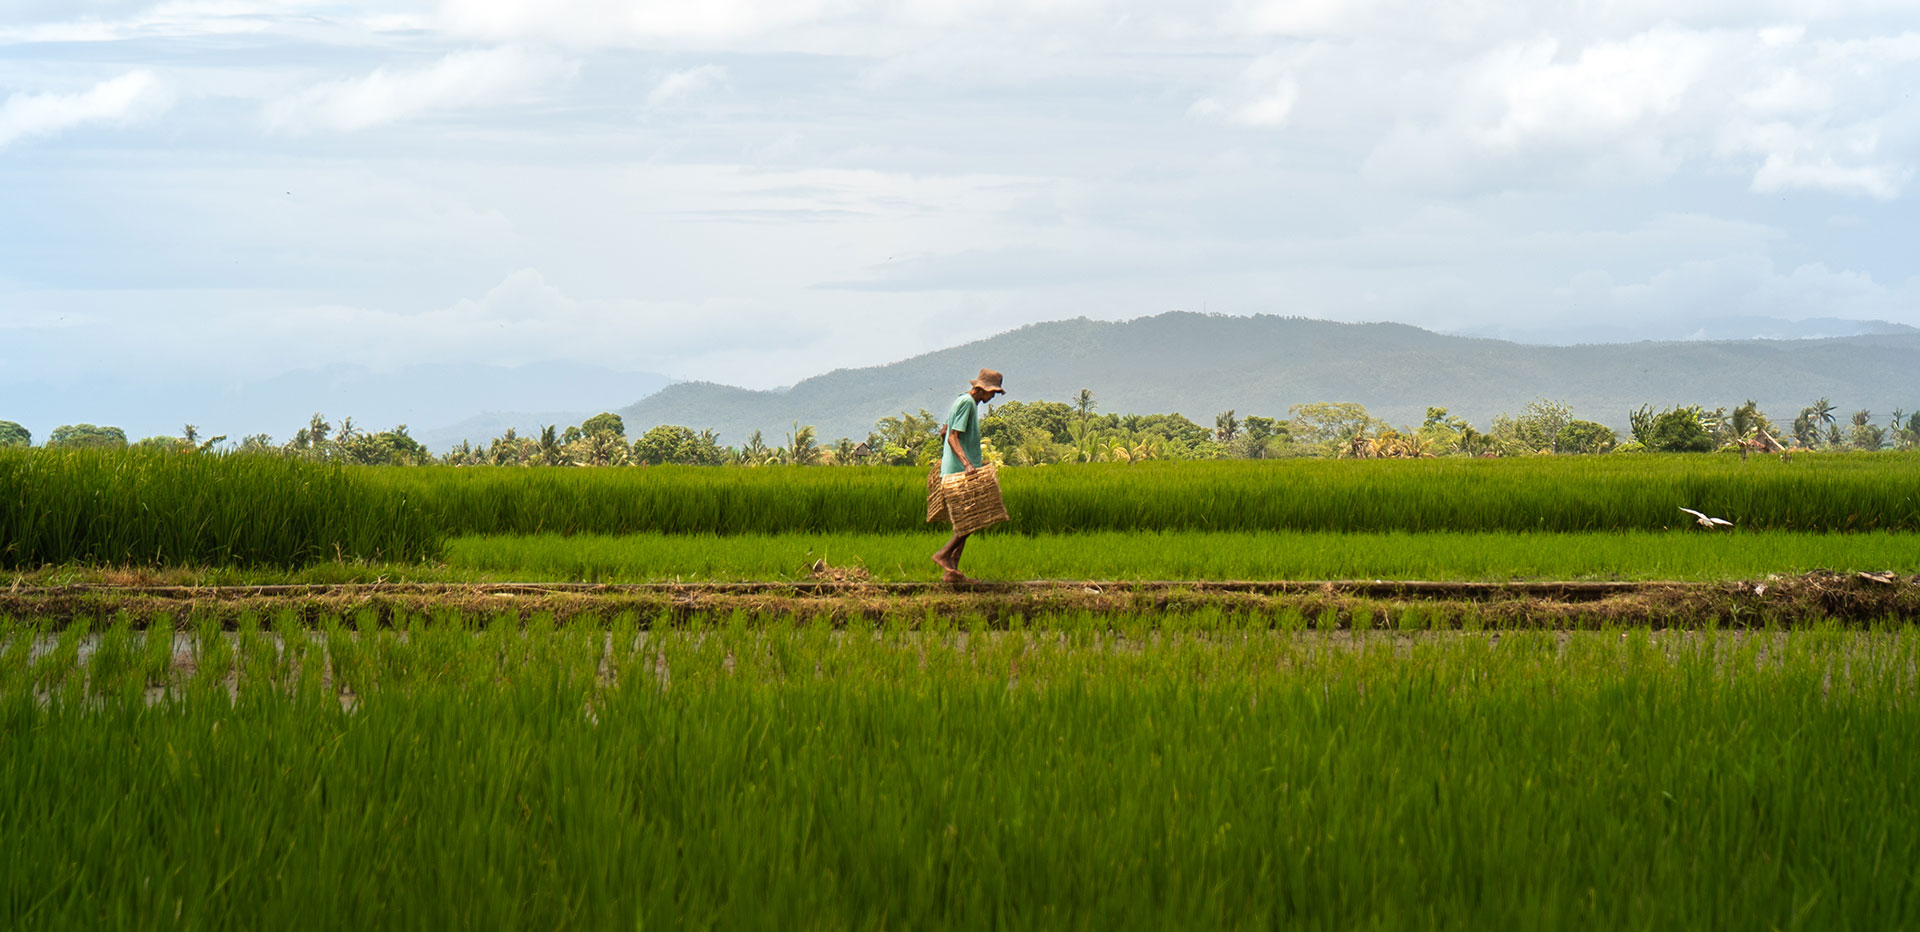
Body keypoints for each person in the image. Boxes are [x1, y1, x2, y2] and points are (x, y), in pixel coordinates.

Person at [931, 368, 1004, 582]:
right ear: (982, 389)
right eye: (992, 393)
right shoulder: (967, 404)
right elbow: (953, 436)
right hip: (959, 472)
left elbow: (944, 431)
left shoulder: (961, 401)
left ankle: (952, 572)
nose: (992, 398)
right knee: (974, 518)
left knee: (968, 518)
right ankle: (944, 555)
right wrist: (966, 463)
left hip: (957, 468)